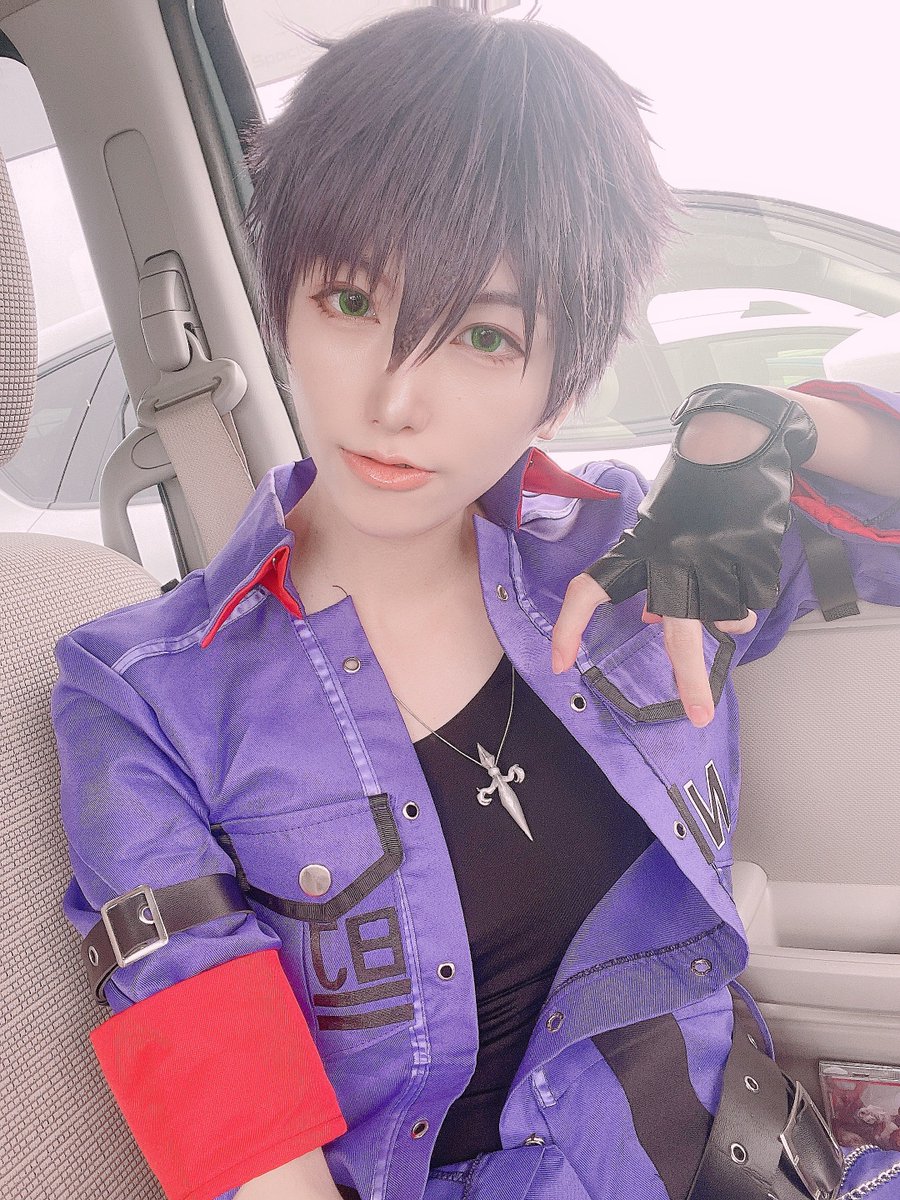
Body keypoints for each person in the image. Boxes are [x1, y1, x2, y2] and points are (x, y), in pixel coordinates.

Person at [49, 8, 900, 1200]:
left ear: (565, 381)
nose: (396, 399)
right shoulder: (144, 693)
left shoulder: (641, 563)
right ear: (281, 299)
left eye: (484, 337)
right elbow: (241, 1135)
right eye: (352, 304)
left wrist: (762, 424)